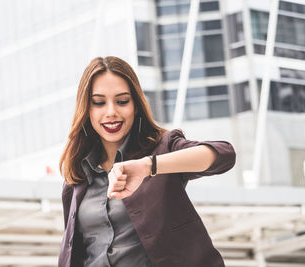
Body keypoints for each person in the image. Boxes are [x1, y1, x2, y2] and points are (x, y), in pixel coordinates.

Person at [58, 56, 236, 267]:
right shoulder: (77, 176)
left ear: (136, 104)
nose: (111, 112)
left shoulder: (162, 148)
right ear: (86, 109)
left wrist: (148, 166)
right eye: (98, 103)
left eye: (122, 101)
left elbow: (224, 155)